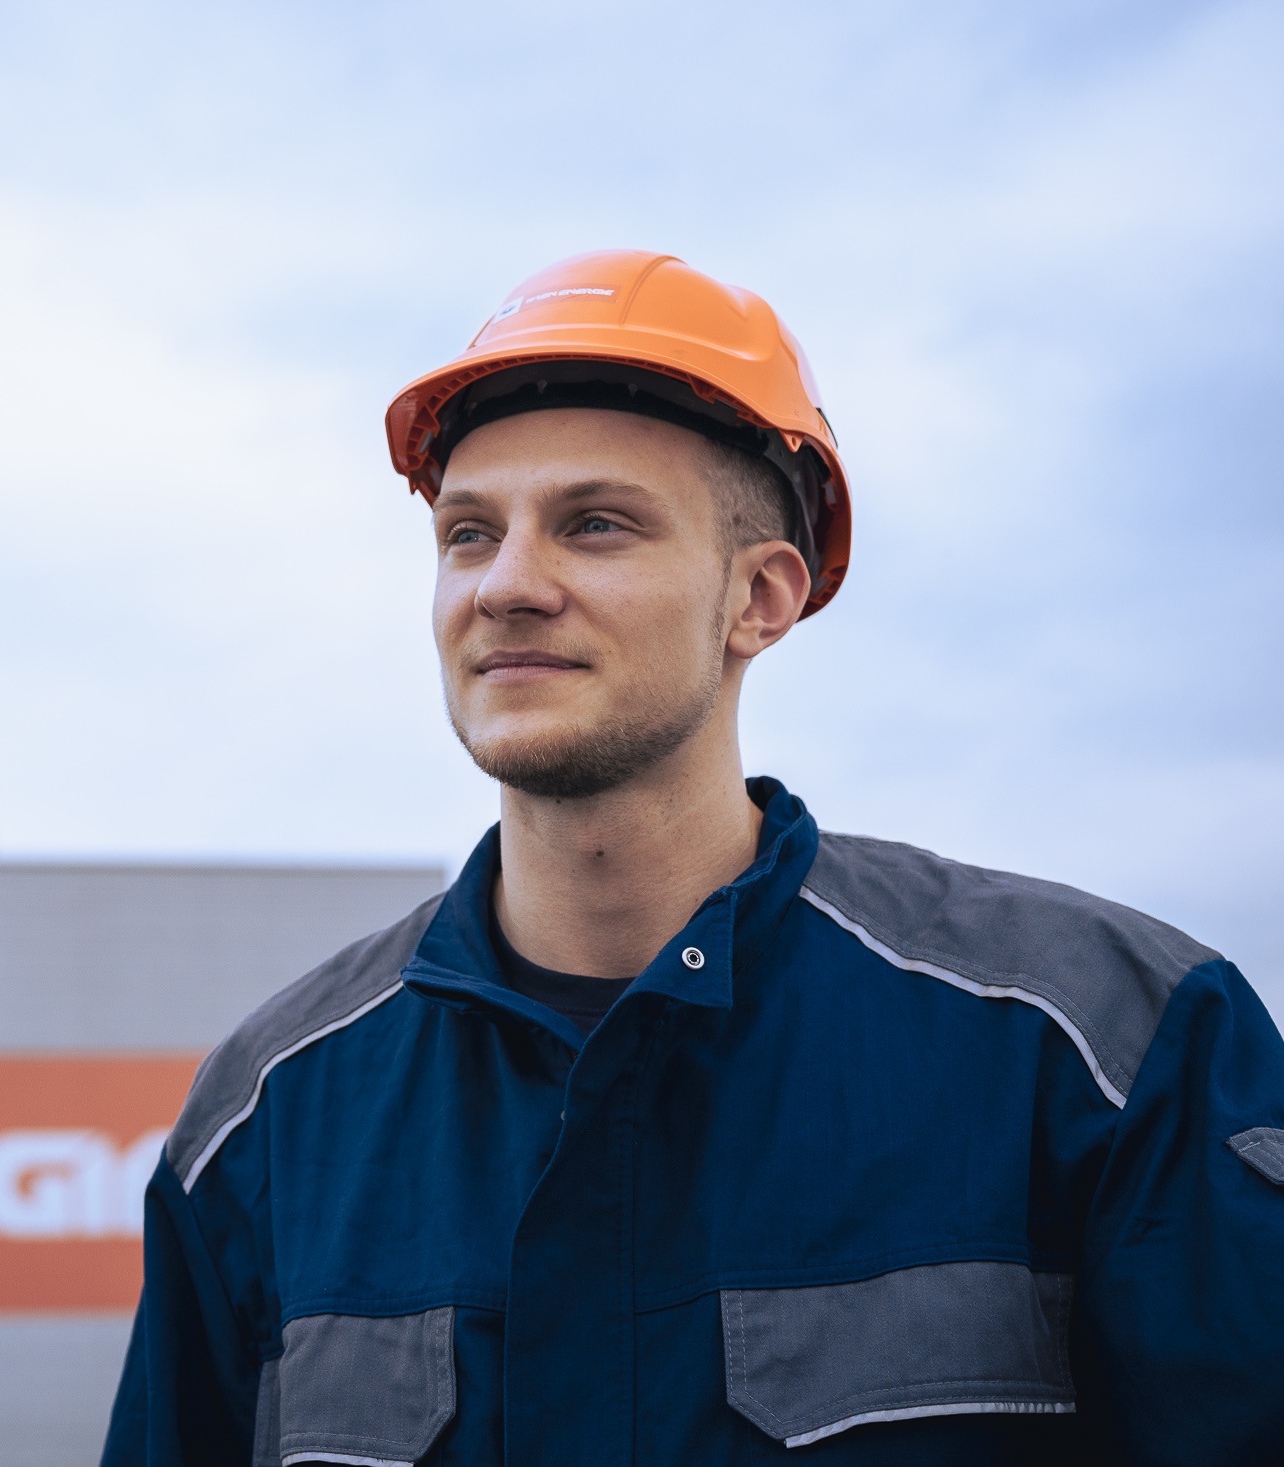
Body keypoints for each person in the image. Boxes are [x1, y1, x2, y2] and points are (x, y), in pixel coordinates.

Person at [100, 250, 1284, 1466]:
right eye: (468, 533)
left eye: (594, 525)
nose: (505, 586)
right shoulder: (268, 1120)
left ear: (759, 598)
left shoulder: (1100, 1050)